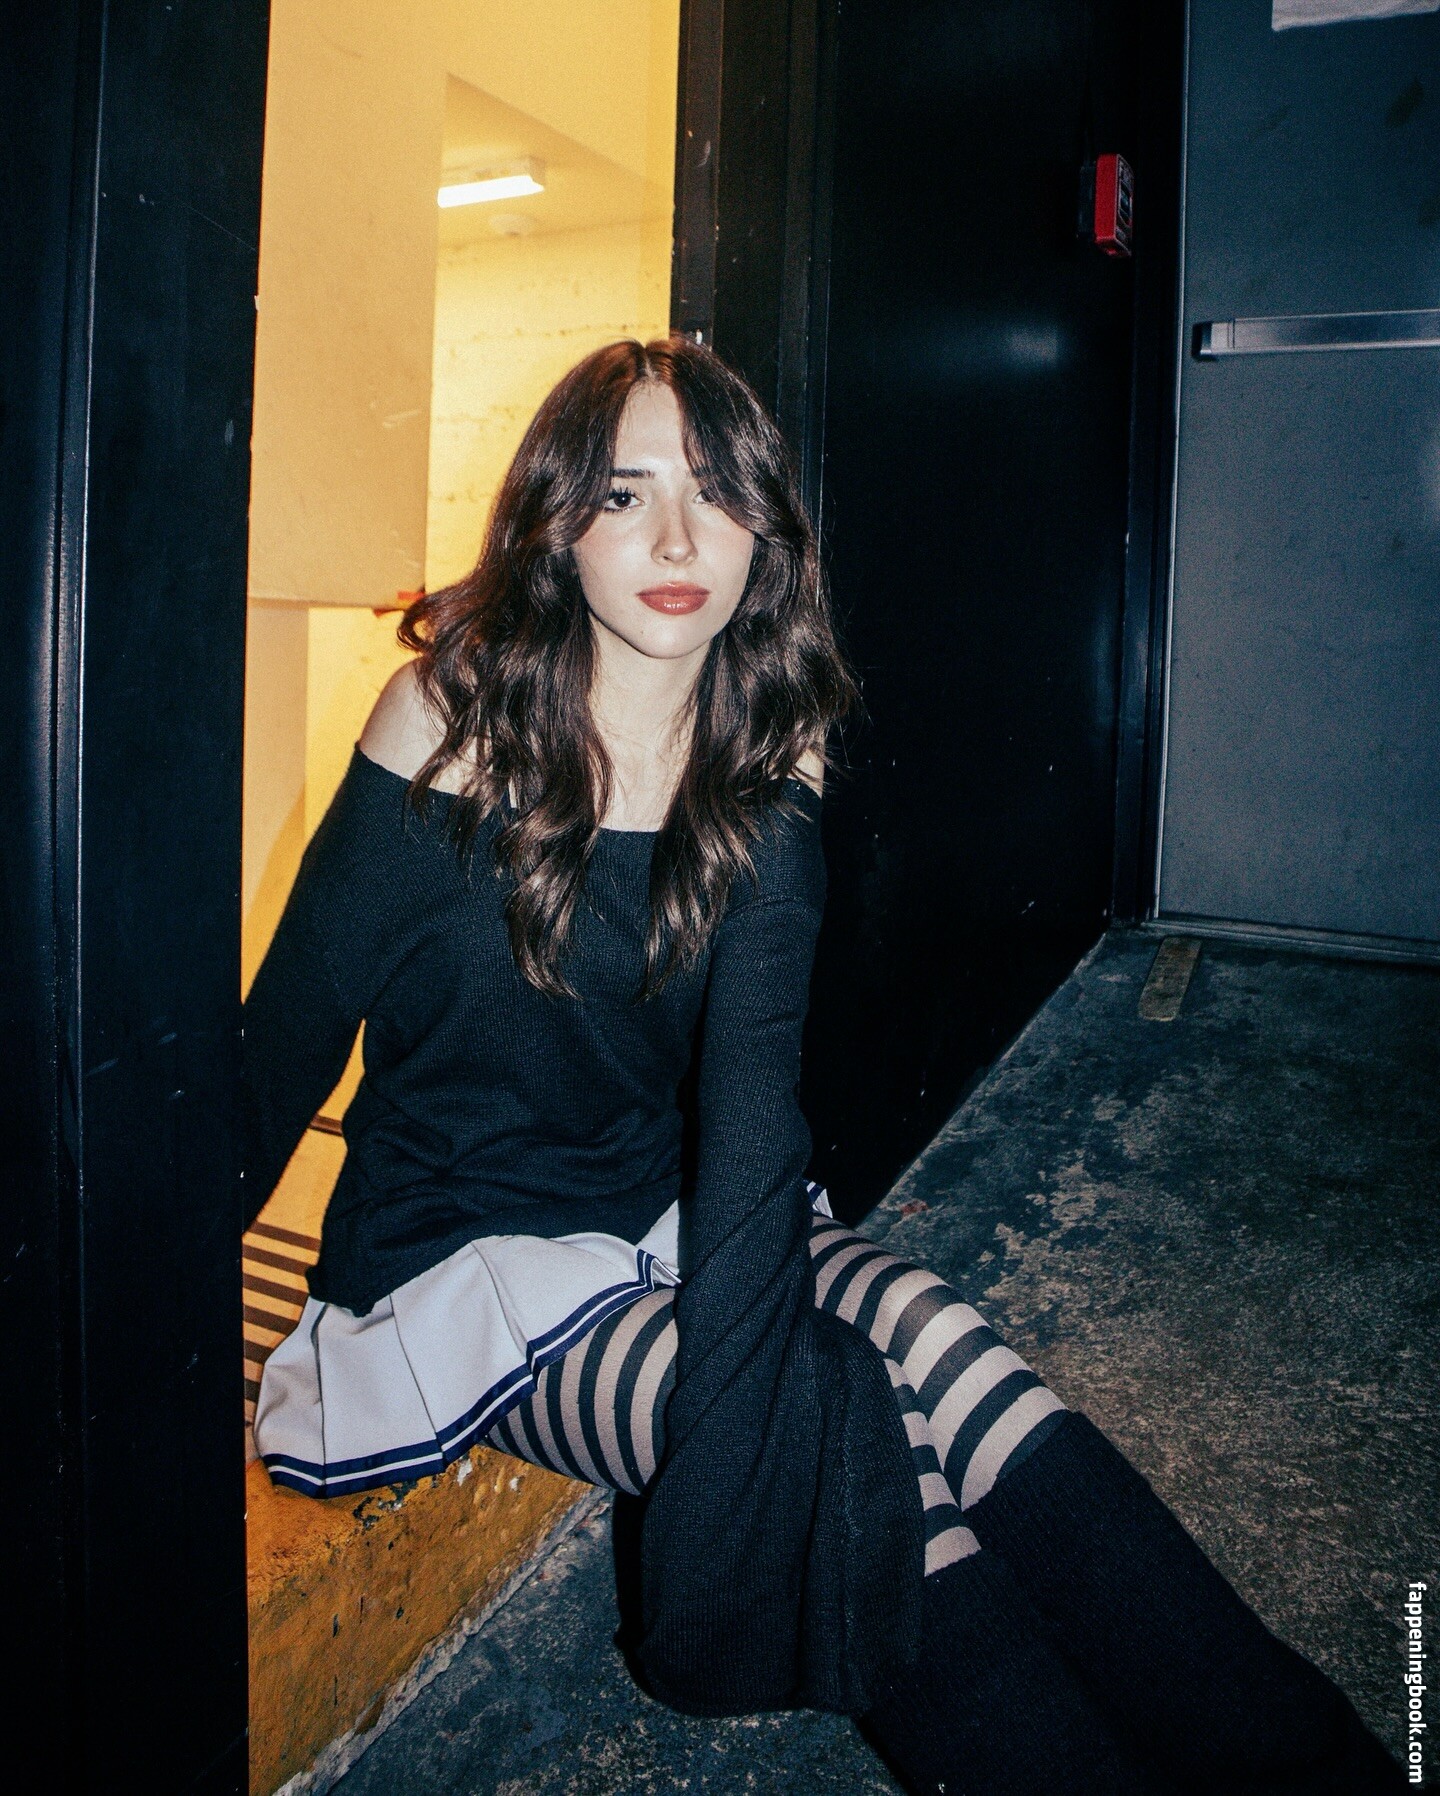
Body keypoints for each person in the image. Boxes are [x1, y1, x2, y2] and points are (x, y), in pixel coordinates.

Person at [242, 337, 1401, 1794]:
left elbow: (749, 1110)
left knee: (945, 1342)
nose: (679, 541)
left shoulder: (767, 757)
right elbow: (280, 1045)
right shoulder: (450, 726)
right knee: (841, 1427)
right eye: (625, 495)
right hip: (464, 1257)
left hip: (670, 1207)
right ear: (557, 525)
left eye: (717, 493)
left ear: (764, 530)